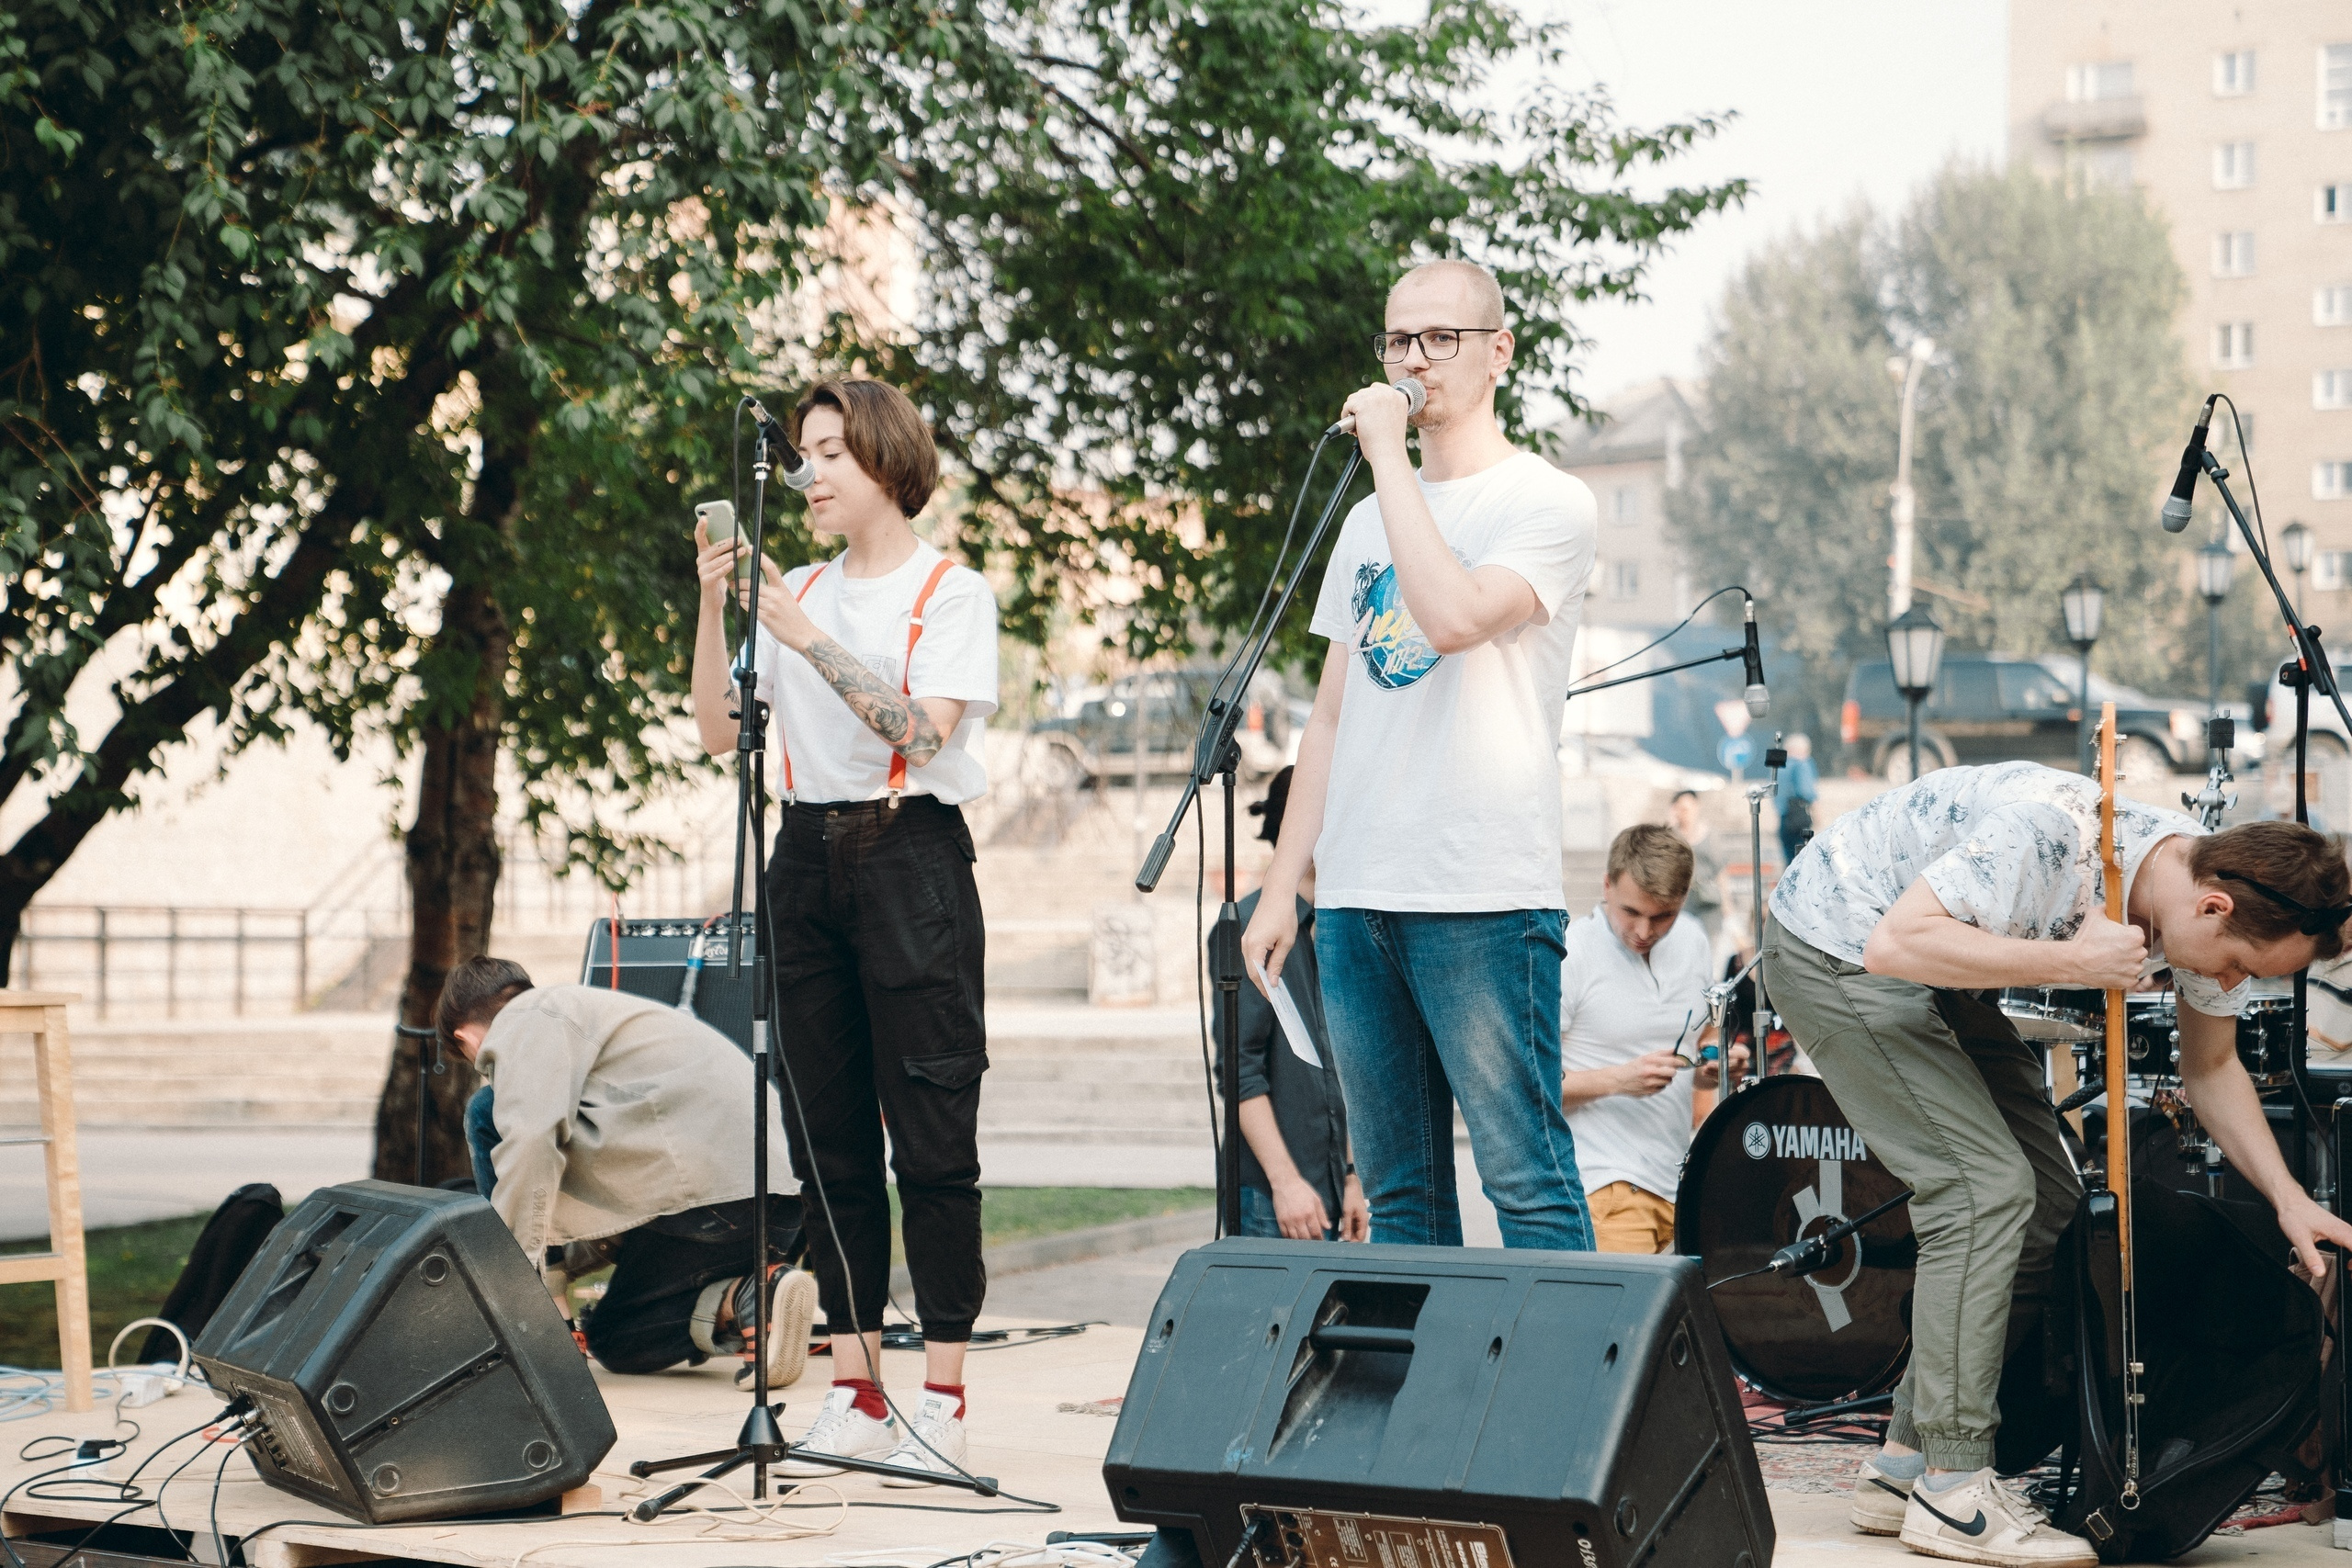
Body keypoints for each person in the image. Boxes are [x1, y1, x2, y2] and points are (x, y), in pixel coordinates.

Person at [1763, 760, 2352, 1567]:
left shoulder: (2207, 903)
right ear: (2213, 904)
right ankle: (1954, 1489)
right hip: (1836, 943)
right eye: (2241, 966)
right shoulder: (2055, 834)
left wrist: (2290, 1198)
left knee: (2045, 1195)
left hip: (1926, 970)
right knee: (1980, 1189)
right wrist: (2077, 963)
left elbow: (2211, 1068)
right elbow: (1896, 941)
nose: (2229, 984)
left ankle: (1902, 1464)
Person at [1241, 258, 1600, 1249]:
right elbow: (1328, 721)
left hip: (1480, 893)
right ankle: (1421, 1401)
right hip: (1360, 899)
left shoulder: (1548, 503)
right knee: (1398, 1198)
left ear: (1498, 353)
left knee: (1524, 1179)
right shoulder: (1363, 521)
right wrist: (1283, 888)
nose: (1413, 360)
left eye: (1439, 339)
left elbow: (1447, 617)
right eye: (1398, 340)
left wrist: (1390, 459)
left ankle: (1563, 1406)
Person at [690, 378, 999, 1484]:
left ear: (886, 464)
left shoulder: (949, 592)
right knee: (825, 1145)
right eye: (803, 454)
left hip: (908, 852)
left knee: (931, 1137)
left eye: (829, 454)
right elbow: (718, 727)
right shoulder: (795, 587)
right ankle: (858, 1390)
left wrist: (801, 630)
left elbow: (923, 726)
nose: (808, 475)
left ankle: (945, 1396)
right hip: (802, 855)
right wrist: (720, 605)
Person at [438, 957, 815, 1383]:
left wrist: (518, 1279)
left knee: (488, 1111)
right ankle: (748, 1296)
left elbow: (531, 1142)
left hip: (707, 1194)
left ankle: (546, 1319)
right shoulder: (596, 1017)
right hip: (769, 1209)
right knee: (617, 1340)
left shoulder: (529, 1014)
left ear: (464, 1036)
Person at [1558, 826, 1747, 1254]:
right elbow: (1527, 1086)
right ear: (1606, 885)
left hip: (1680, 1182)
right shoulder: (1572, 953)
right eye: (1630, 911)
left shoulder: (1694, 939)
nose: (1644, 930)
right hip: (1603, 1187)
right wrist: (1617, 1081)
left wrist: (1713, 1066)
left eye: (1663, 916)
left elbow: (1700, 1039)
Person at [1212, 767, 1369, 1242]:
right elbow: (1240, 1070)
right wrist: (1285, 1184)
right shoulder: (1246, 925)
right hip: (1270, 1194)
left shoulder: (1344, 927)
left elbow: (1353, 1065)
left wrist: (1352, 1175)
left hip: (1333, 1189)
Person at [1668, 790, 1727, 946]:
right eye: (1681, 809)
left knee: (1710, 945)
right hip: (1683, 902)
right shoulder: (1671, 836)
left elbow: (1720, 871)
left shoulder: (1711, 834)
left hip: (1708, 901)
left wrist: (1728, 907)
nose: (1685, 813)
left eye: (1688, 808)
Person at [1777, 733, 1818, 865]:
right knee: (1803, 863)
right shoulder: (1802, 765)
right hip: (1799, 819)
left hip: (1784, 820)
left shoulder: (1779, 768)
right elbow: (1807, 792)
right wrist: (1817, 812)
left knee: (1789, 862)